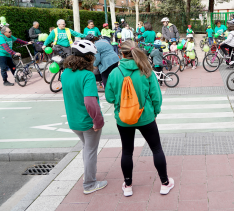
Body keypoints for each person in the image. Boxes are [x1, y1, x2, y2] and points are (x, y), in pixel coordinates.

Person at [105, 40, 173, 197]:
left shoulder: (115, 73)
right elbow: (156, 96)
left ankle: (128, 185)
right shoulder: (146, 70)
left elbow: (109, 97)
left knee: (127, 151)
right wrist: (154, 112)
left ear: (121, 53)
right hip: (146, 116)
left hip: (123, 118)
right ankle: (164, 183)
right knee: (156, 149)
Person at [61, 40, 107, 194]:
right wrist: (98, 121)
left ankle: (89, 176)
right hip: (87, 121)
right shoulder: (87, 75)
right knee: (90, 151)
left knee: (87, 149)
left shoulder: (66, 72)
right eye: (92, 55)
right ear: (87, 57)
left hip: (73, 121)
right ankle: (89, 184)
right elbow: (90, 102)